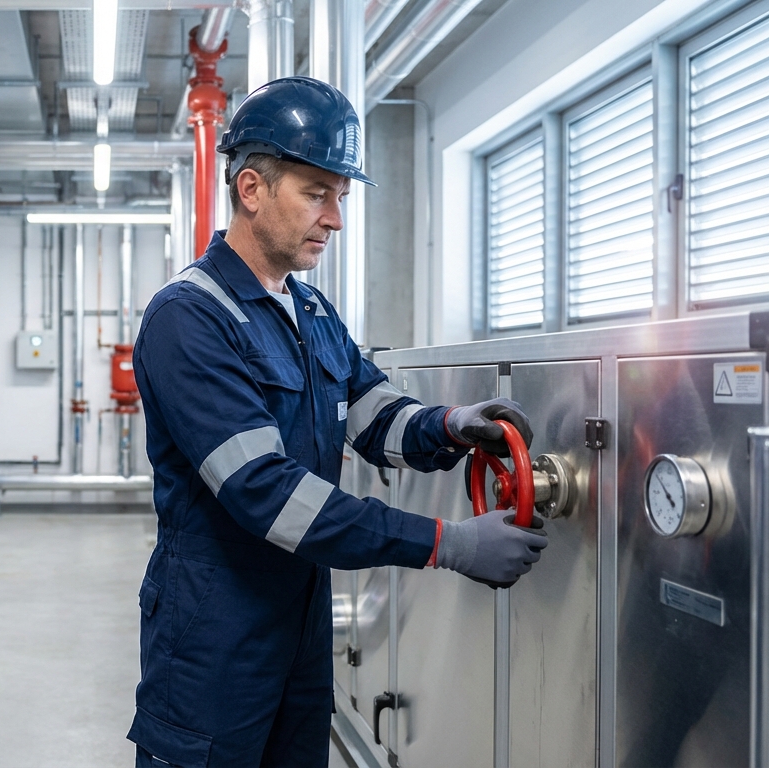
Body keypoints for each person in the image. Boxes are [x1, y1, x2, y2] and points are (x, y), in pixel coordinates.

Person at [126, 76, 549, 768]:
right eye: (317, 193)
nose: (336, 220)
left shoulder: (311, 312)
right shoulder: (188, 318)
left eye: (341, 198)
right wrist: (446, 542)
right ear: (252, 189)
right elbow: (267, 492)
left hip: (300, 616)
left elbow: (372, 411)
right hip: (214, 629)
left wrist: (449, 425)